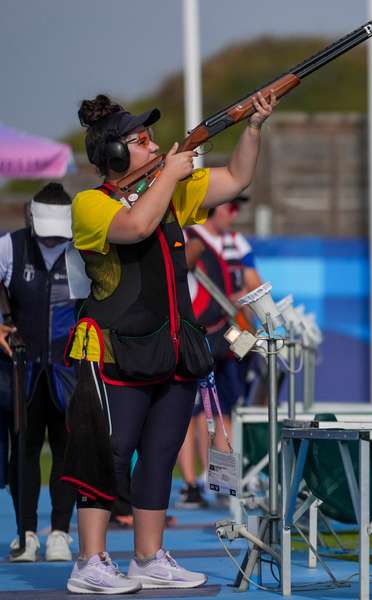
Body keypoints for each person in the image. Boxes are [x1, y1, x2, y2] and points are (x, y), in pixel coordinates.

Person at [63, 90, 277, 594]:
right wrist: (170, 175)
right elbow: (135, 227)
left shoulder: (169, 189)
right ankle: (89, 562)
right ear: (114, 156)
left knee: (159, 455)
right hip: (114, 350)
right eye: (142, 141)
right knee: (109, 454)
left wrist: (252, 128)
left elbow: (237, 179)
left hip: (175, 347)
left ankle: (148, 557)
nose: (155, 145)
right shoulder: (90, 204)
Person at [0, 184, 78, 562]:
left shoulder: (81, 249)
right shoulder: (10, 246)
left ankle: (60, 532)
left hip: (69, 371)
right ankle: (26, 534)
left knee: (66, 452)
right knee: (24, 452)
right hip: (23, 370)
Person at [176, 195, 262, 509]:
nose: (235, 214)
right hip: (195, 337)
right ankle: (192, 483)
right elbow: (177, 270)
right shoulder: (187, 236)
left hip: (225, 336)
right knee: (192, 414)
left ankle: (224, 483)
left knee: (223, 411)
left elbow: (254, 285)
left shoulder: (236, 242)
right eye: (230, 206)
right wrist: (191, 254)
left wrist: (254, 326)